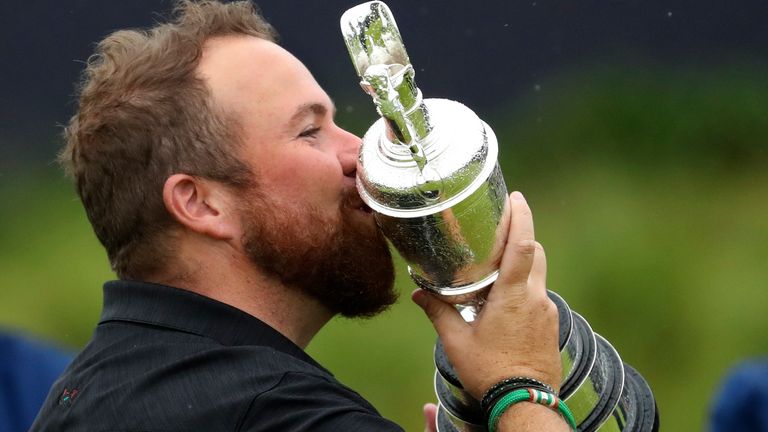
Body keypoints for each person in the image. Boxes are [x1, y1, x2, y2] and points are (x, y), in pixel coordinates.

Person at [31, 1, 567, 430]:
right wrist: (519, 387)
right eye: (309, 131)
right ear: (200, 203)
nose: (357, 152)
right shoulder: (275, 412)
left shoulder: (79, 394)